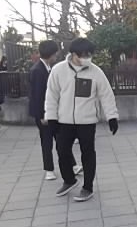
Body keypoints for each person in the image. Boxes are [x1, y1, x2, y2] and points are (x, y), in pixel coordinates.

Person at [45, 38, 119, 202]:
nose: (86, 58)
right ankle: (69, 180)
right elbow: (51, 96)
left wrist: (112, 117)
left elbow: (106, 95)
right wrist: (51, 118)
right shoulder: (58, 70)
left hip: (87, 121)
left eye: (89, 55)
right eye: (83, 55)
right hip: (64, 121)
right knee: (62, 151)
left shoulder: (96, 72)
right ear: (73, 54)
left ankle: (87, 187)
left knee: (88, 154)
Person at [29, 40, 81, 181]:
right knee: (47, 142)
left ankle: (73, 165)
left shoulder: (50, 68)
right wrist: (42, 115)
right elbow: (37, 95)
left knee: (62, 140)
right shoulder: (37, 70)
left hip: (55, 111)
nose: (57, 55)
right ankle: (49, 170)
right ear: (51, 54)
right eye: (56, 53)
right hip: (44, 114)